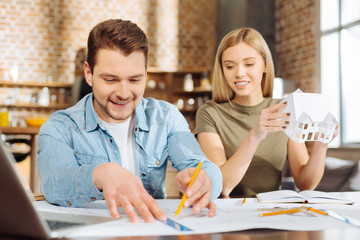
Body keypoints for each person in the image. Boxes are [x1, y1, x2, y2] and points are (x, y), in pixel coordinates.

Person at [38, 19, 222, 223]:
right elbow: (53, 184)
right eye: (110, 80)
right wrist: (100, 174)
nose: (124, 93)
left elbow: (205, 169)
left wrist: (203, 180)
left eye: (135, 80)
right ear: (89, 74)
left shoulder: (166, 117)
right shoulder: (60, 127)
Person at [195, 28, 339, 198]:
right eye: (230, 66)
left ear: (264, 65)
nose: (239, 73)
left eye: (249, 64)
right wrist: (255, 135)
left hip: (272, 212)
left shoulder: (285, 109)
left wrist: (322, 145)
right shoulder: (210, 113)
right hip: (228, 214)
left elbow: (305, 184)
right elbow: (223, 186)